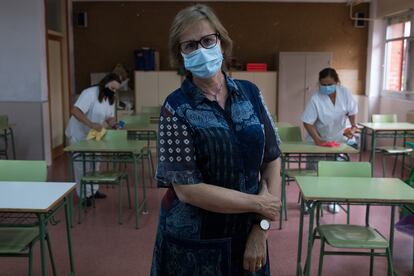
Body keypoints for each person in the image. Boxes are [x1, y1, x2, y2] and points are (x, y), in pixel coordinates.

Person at [151, 4, 281, 275]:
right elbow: (187, 189)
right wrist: (258, 204)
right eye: (190, 45)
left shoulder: (251, 94)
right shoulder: (175, 108)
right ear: (180, 54)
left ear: (221, 43)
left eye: (208, 40)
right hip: (194, 245)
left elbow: (272, 158)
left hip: (249, 237)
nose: (201, 50)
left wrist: (261, 228)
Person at [301, 67, 359, 213]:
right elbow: (307, 122)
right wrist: (318, 140)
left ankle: (332, 200)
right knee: (313, 173)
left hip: (338, 139)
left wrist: (353, 126)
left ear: (337, 82)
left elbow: (352, 111)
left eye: (330, 84)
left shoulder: (345, 93)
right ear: (319, 83)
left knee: (334, 172)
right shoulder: (315, 98)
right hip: (318, 138)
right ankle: (309, 201)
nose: (326, 87)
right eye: (323, 84)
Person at [65, 73, 120, 205]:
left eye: (115, 90)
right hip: (79, 135)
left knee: (95, 162)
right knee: (81, 166)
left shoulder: (109, 98)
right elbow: (75, 111)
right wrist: (91, 124)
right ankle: (84, 195)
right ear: (105, 83)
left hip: (94, 136)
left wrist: (114, 124)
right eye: (112, 88)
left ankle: (93, 191)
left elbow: (109, 117)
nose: (113, 91)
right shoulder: (89, 93)